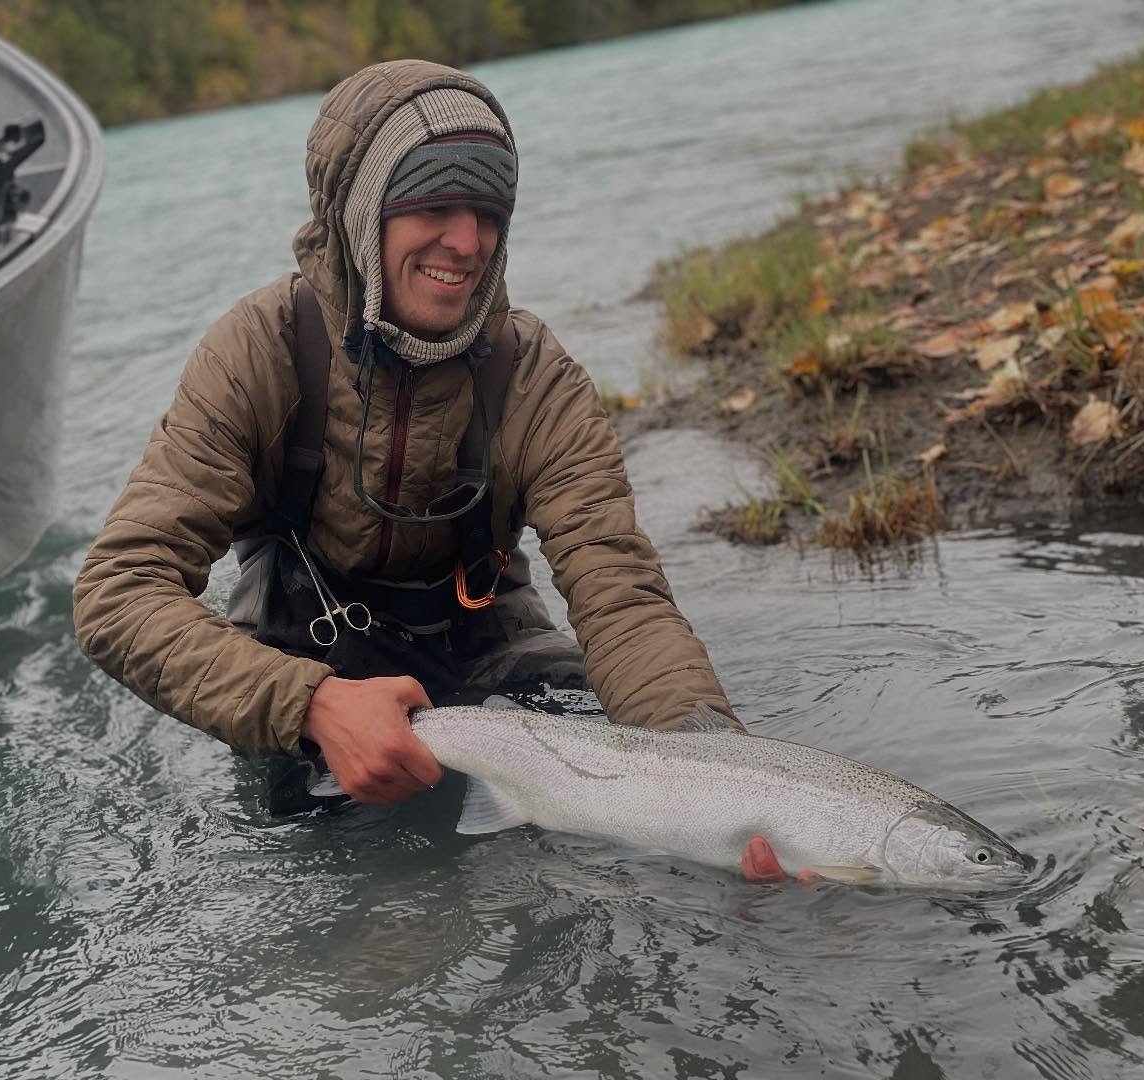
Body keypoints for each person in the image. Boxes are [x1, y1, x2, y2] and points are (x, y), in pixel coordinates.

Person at [73, 59, 792, 883]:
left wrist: (735, 788)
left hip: (488, 648)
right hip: (307, 664)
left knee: (601, 854)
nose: (466, 240)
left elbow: (621, 600)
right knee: (368, 894)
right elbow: (118, 591)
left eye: (489, 210)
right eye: (434, 203)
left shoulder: (536, 377)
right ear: (359, 210)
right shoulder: (257, 352)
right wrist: (309, 705)